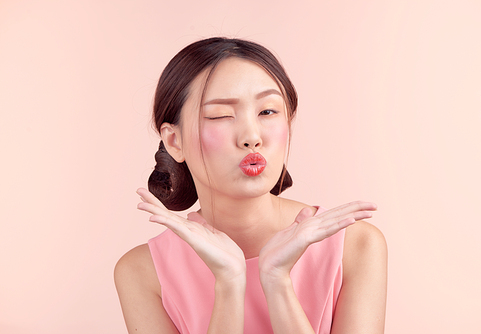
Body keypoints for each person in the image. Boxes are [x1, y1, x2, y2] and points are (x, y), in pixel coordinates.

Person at [114, 37, 387, 334]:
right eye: (221, 115)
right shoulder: (142, 272)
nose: (251, 136)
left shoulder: (355, 246)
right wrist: (229, 285)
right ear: (174, 141)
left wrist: (278, 282)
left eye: (267, 111)